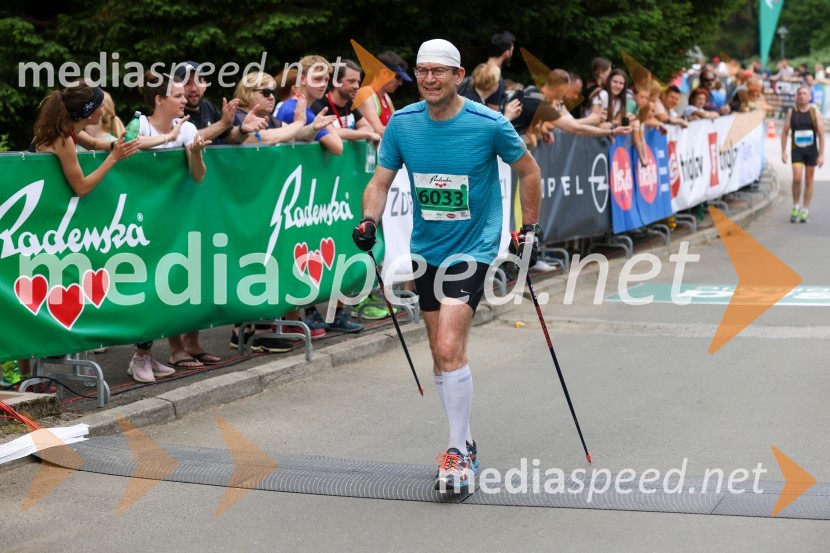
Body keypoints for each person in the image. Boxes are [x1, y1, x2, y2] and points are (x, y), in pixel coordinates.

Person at [352, 39, 542, 493]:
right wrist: (368, 219)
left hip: (473, 248)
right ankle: (467, 440)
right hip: (427, 249)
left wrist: (528, 228)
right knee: (440, 352)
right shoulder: (402, 124)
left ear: (459, 77)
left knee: (452, 342)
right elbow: (379, 183)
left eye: (439, 71)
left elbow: (529, 172)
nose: (430, 79)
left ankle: (457, 452)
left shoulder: (489, 124)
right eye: (422, 71)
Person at [128, 71, 212, 380]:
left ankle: (147, 355)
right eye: (177, 96)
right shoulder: (140, 124)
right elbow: (129, 146)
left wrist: (197, 153)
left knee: (169, 284)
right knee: (144, 284)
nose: (184, 100)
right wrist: (168, 139)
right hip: (141, 218)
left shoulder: (187, 127)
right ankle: (139, 356)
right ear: (160, 100)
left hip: (174, 218)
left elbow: (198, 175)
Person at [31, 81, 140, 197]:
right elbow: (81, 188)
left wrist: (116, 144)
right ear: (89, 114)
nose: (105, 108)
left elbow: (93, 144)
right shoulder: (63, 138)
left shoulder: (64, 127)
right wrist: (113, 157)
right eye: (101, 105)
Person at [175, 60, 269, 144]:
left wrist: (243, 129)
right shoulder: (173, 110)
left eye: (198, 81)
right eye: (187, 83)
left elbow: (232, 138)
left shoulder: (209, 107)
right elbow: (187, 139)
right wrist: (223, 124)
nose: (194, 89)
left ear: (205, 85)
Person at [782, 86, 825, 223]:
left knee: (808, 179)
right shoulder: (791, 112)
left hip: (811, 150)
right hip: (797, 150)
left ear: (810, 97)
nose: (802, 96)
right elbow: (784, 132)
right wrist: (783, 151)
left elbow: (821, 135)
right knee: (797, 178)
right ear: (796, 96)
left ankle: (805, 209)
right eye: (799, 94)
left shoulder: (815, 112)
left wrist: (821, 155)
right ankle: (795, 205)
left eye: (805, 94)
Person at [356, 50, 412, 136]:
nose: (400, 83)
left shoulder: (385, 97)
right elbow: (379, 130)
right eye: (398, 77)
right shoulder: (365, 93)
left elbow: (397, 125)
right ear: (384, 73)